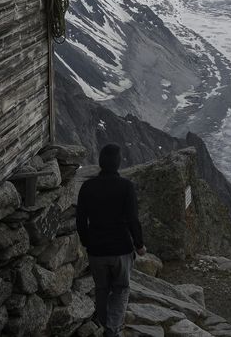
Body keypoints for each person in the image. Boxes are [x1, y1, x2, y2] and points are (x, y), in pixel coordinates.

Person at [76, 144, 146, 336]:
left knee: (101, 289)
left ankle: (106, 324)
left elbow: (80, 219)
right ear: (117, 163)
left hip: (96, 249)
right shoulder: (126, 187)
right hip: (121, 249)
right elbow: (133, 219)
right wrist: (139, 245)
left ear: (101, 162)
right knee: (121, 289)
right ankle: (112, 330)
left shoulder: (87, 187)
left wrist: (86, 241)